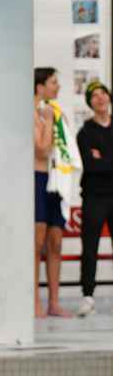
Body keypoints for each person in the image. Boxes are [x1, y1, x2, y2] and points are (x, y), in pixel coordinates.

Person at [34, 67, 73, 318]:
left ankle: (54, 302)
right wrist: (48, 121)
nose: (57, 87)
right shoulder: (31, 114)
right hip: (37, 178)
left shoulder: (57, 112)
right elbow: (42, 150)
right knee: (37, 243)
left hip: (56, 181)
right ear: (40, 87)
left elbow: (65, 148)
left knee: (56, 241)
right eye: (53, 82)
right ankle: (34, 301)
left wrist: (56, 120)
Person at [76, 81, 113, 317]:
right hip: (94, 197)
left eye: (103, 94)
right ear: (90, 102)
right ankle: (87, 296)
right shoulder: (85, 132)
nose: (100, 98)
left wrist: (102, 158)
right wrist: (100, 161)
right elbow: (91, 166)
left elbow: (100, 163)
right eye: (95, 96)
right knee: (90, 248)